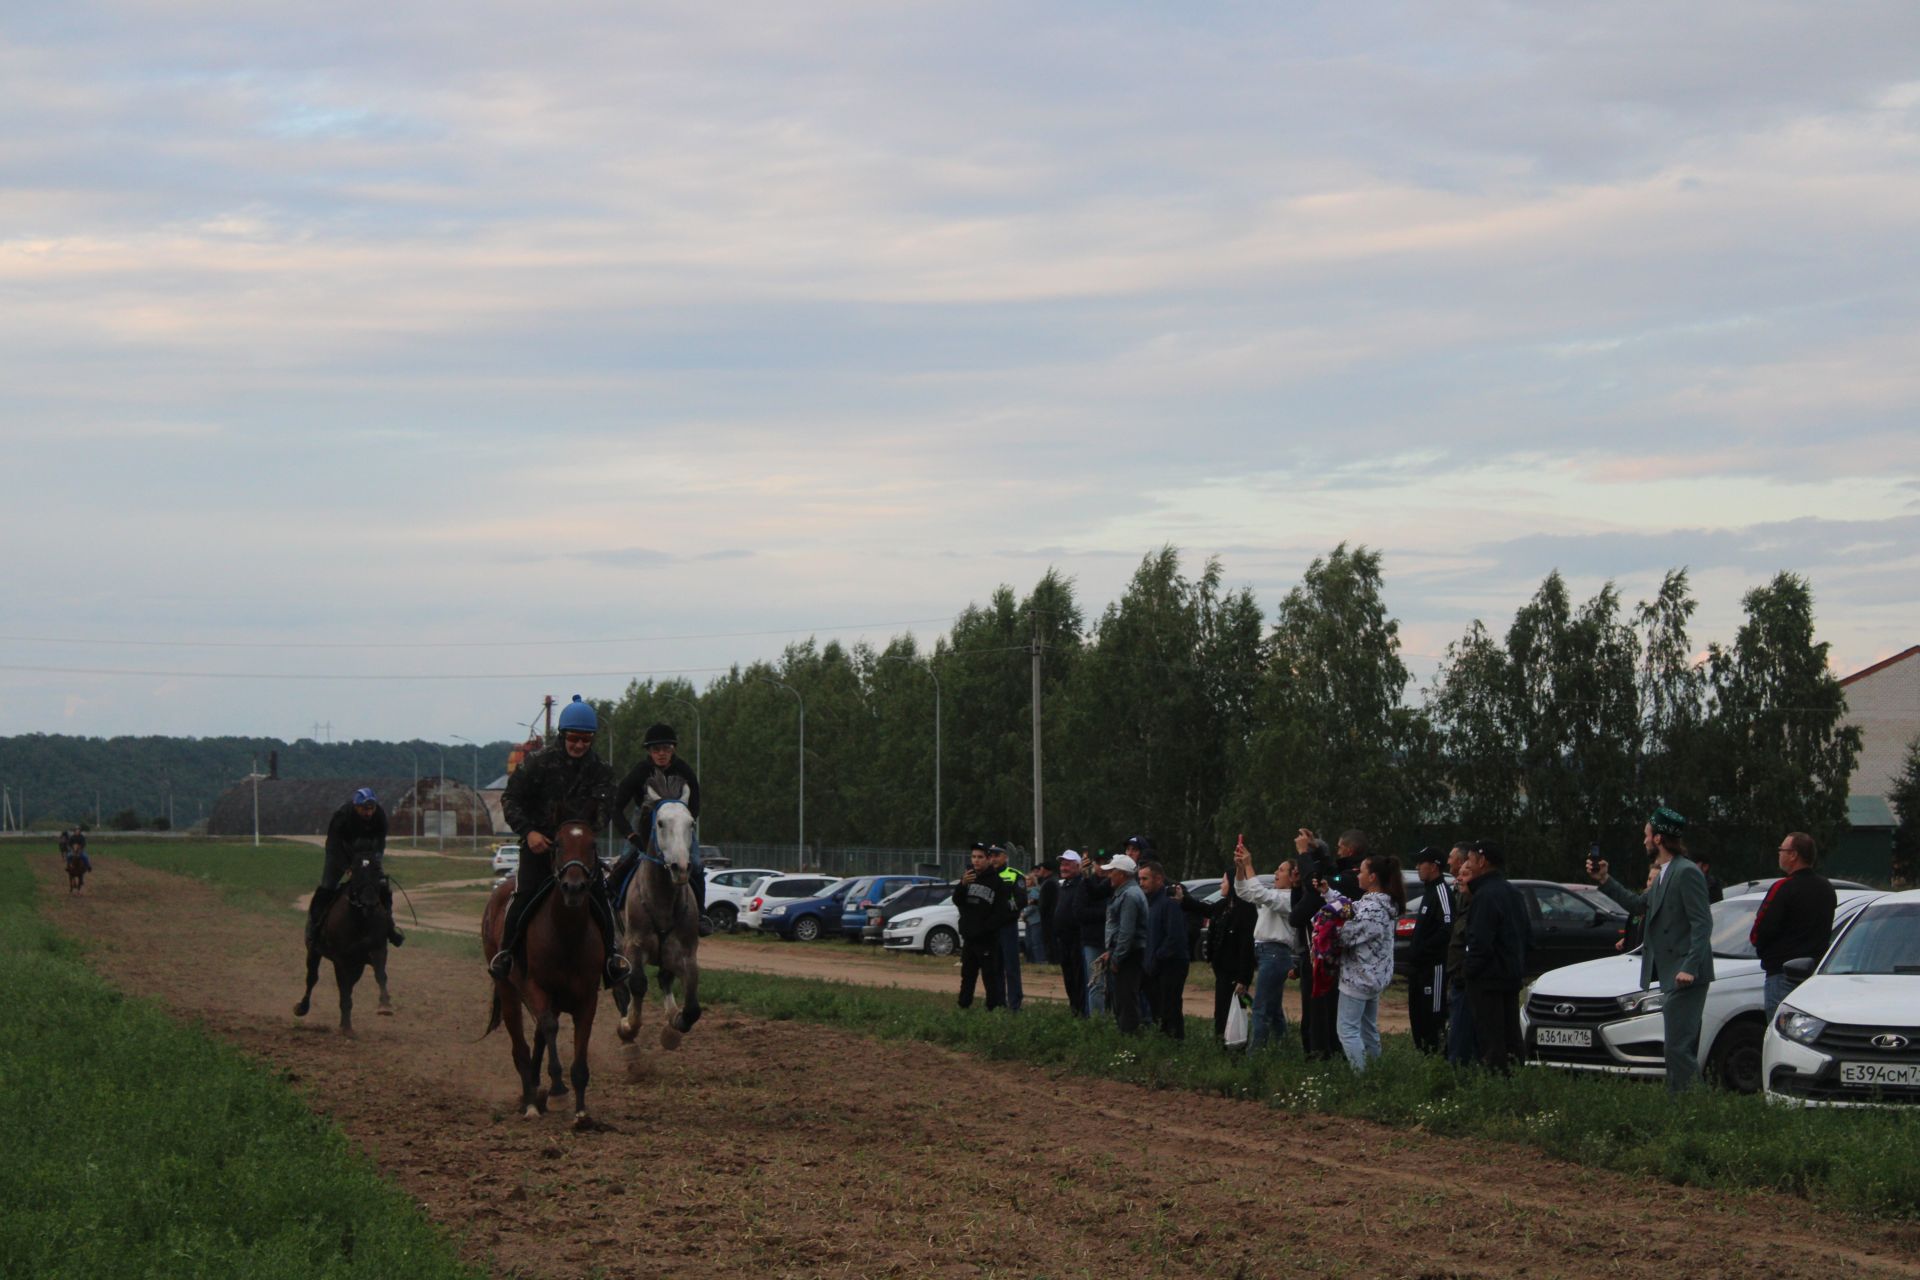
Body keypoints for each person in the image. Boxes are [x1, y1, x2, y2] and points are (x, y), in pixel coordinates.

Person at [490, 695, 631, 987]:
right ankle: (506, 954)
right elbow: (511, 798)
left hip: (578, 853)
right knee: (524, 894)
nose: (579, 745)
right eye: (574, 738)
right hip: (539, 848)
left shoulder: (601, 771)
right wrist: (529, 832)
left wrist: (581, 836)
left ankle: (611, 959)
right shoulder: (537, 763)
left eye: (586, 739)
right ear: (563, 735)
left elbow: (604, 811)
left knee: (601, 899)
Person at [1588, 808, 1715, 1092]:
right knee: (1677, 1047)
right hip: (1674, 972)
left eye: (1646, 834)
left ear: (1658, 838)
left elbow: (1703, 923)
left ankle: (1695, 1110)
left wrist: (1690, 967)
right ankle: (1686, 1107)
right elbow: (1638, 905)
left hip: (1686, 975)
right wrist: (1605, 880)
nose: (1643, 840)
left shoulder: (1686, 872)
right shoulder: (1664, 873)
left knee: (1678, 1048)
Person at [608, 722, 704, 911]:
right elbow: (615, 807)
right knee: (626, 858)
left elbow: (695, 804)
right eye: (656, 749)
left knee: (697, 864)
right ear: (649, 751)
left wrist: (682, 824)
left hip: (677, 822)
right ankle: (613, 903)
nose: (661, 753)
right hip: (644, 819)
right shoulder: (640, 771)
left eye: (666, 749)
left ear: (673, 749)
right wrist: (630, 834)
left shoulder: (685, 771)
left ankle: (700, 912)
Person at [1750, 831, 1836, 1020]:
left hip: (1782, 974)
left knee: (1781, 1033)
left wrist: (1764, 951)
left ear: (1793, 855)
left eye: (1782, 849)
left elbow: (1761, 930)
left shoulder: (1783, 888)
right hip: (1813, 973)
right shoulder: (1826, 888)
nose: (1779, 853)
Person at [1462, 840, 1528, 1073]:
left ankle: (1496, 1084)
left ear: (1482, 861)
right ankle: (1515, 1078)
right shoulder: (1513, 892)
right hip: (1510, 975)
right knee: (1511, 1036)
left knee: (1491, 1039)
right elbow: (1526, 935)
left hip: (1488, 979)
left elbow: (1480, 942)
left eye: (1469, 860)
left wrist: (1469, 971)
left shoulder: (1485, 895)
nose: (1467, 865)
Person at [307, 787, 402, 948]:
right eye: (365, 809)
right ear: (356, 806)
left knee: (382, 886)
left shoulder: (379, 815)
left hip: (366, 856)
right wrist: (346, 867)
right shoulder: (342, 816)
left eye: (371, 808)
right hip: (340, 855)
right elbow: (333, 846)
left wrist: (376, 860)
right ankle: (314, 930)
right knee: (327, 888)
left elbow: (380, 842)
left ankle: (390, 928)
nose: (369, 813)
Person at [1336, 854, 1404, 1071]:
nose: (1358, 874)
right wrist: (1328, 894)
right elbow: (1352, 908)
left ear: (1373, 877)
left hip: (1359, 977)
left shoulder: (1373, 909)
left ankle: (1362, 1077)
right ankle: (1376, 1071)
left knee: (1347, 1030)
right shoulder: (1377, 903)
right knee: (1367, 1029)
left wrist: (1327, 927)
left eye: (1362, 871)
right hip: (1372, 975)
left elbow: (1349, 935)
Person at [1232, 838, 1300, 1050]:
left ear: (1293, 877)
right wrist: (1240, 869)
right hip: (1266, 954)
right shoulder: (1276, 894)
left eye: (1281, 870)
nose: (1276, 873)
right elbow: (1244, 892)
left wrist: (1250, 865)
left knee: (1260, 1008)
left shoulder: (1291, 899)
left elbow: (1260, 894)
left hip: (1275, 954)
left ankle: (1256, 1056)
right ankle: (1283, 1048)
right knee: (1272, 1008)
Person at [1289, 828, 1342, 1058]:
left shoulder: (1321, 890)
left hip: (1320, 958)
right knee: (1322, 1011)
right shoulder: (1327, 881)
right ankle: (1323, 1051)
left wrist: (1303, 853)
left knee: (1317, 1011)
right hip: (1321, 956)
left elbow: (1296, 917)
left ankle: (1319, 1054)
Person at [1406, 847, 1456, 1054]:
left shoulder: (1441, 891)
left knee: (1433, 1015)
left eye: (1421, 863)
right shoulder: (1428, 892)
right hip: (1419, 968)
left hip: (1433, 968)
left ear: (1434, 866)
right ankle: (1423, 1054)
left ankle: (1437, 1057)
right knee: (1417, 1015)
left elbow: (1446, 928)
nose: (1417, 867)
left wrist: (1425, 951)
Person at [955, 842, 1011, 1010]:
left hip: (986, 938)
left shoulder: (996, 882)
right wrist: (962, 885)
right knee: (967, 975)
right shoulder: (968, 878)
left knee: (989, 975)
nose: (976, 861)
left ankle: (992, 1007)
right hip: (969, 937)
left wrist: (985, 928)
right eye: (974, 857)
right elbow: (957, 900)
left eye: (980, 857)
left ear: (988, 859)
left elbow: (1001, 912)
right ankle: (964, 1005)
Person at [1099, 854, 1149, 1034]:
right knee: (1123, 998)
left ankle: (1129, 1038)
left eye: (1112, 871)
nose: (1109, 875)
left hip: (1129, 956)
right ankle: (1127, 1035)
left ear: (1122, 874)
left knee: (1126, 999)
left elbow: (1126, 933)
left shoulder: (1129, 896)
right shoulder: (1128, 893)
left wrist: (1117, 958)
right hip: (1126, 953)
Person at [1208, 863, 1257, 1042]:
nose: (1221, 885)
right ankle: (1222, 1040)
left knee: (1236, 1006)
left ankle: (1236, 1043)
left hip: (1235, 972)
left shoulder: (1245, 910)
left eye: (1224, 882)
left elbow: (1247, 947)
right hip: (1221, 970)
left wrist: (1244, 978)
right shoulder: (1223, 906)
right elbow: (1202, 909)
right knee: (1221, 1008)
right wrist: (1183, 899)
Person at [1140, 861, 1189, 1037]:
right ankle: (1163, 1040)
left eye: (1145, 879)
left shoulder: (1169, 903)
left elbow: (1174, 938)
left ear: (1158, 879)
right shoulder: (1150, 903)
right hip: (1154, 967)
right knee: (1158, 1010)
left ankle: (1174, 1042)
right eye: (1140, 879)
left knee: (1170, 1008)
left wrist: (1157, 957)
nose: (1141, 883)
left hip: (1170, 966)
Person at [1443, 844, 1478, 1067]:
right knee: (1456, 1024)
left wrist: (1463, 971)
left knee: (1462, 1027)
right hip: (1456, 975)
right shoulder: (1460, 899)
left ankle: (1458, 1067)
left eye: (1466, 874)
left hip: (1466, 978)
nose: (1459, 878)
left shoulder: (1479, 904)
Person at [1049, 851, 1091, 1016]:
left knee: (1079, 976)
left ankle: (1081, 1011)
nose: (1063, 868)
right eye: (1062, 864)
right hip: (1063, 939)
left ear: (1078, 866)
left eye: (1067, 864)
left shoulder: (1082, 884)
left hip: (1077, 938)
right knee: (1068, 976)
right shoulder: (1064, 885)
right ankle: (1074, 1008)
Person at [990, 845, 1027, 1011]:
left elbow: (1021, 901)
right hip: (991, 928)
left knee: (1011, 968)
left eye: (997, 855)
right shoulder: (986, 875)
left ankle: (1014, 1005)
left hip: (1007, 927)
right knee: (994, 967)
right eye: (991, 855)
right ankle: (998, 1003)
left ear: (1005, 857)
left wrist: (1003, 908)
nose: (993, 859)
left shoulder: (1014, 875)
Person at [1076, 855, 1114, 1015]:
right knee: (1095, 982)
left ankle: (1114, 1019)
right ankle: (1097, 1022)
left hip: (1113, 941)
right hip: (1093, 939)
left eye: (1106, 862)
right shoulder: (1086, 884)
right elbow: (1080, 912)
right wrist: (1107, 914)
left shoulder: (1115, 883)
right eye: (1098, 863)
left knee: (1114, 984)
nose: (1102, 866)